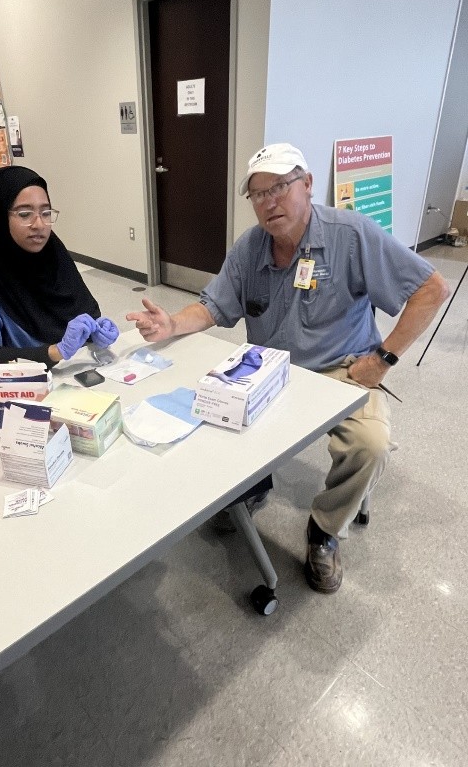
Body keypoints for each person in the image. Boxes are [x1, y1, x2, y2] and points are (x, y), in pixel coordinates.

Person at [127, 143, 449, 594]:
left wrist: (384, 359)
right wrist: (172, 324)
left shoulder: (350, 235)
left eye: (279, 187)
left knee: (370, 444)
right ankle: (253, 486)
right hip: (270, 369)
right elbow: (215, 306)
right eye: (258, 194)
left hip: (343, 369)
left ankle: (325, 531)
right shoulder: (250, 248)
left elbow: (431, 289)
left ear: (308, 185)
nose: (269, 202)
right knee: (212, 407)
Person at [0, 166, 118, 386]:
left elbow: (85, 312)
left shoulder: (55, 256)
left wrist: (96, 330)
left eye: (45, 213)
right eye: (24, 214)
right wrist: (55, 352)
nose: (39, 225)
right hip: (6, 392)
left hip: (64, 378)